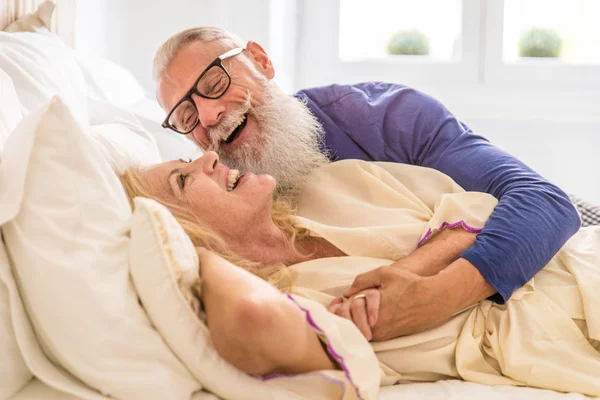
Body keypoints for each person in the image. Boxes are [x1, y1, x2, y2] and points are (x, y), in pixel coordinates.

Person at [151, 27, 581, 341]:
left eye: (214, 83)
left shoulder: (382, 114)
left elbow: (544, 201)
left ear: (261, 61)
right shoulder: (215, 197)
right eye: (187, 118)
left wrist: (436, 296)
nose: (208, 117)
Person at [118, 153, 600, 398]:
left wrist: (409, 275)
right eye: (184, 179)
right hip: (564, 344)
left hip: (581, 261)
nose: (206, 156)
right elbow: (248, 321)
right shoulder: (298, 303)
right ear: (185, 231)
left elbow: (487, 213)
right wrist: (193, 251)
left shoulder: (336, 183)